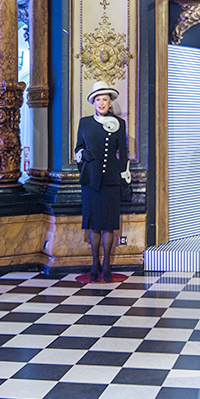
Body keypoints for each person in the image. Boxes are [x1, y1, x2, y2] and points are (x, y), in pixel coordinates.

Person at [75, 82, 130, 283]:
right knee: (94, 226)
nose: (101, 103)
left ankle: (107, 264)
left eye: (105, 99)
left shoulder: (119, 123)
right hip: (91, 179)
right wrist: (83, 154)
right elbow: (77, 149)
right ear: (93, 102)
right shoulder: (85, 123)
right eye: (98, 99)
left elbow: (123, 154)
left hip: (111, 180)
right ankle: (94, 263)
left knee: (109, 225)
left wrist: (124, 174)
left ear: (110, 101)